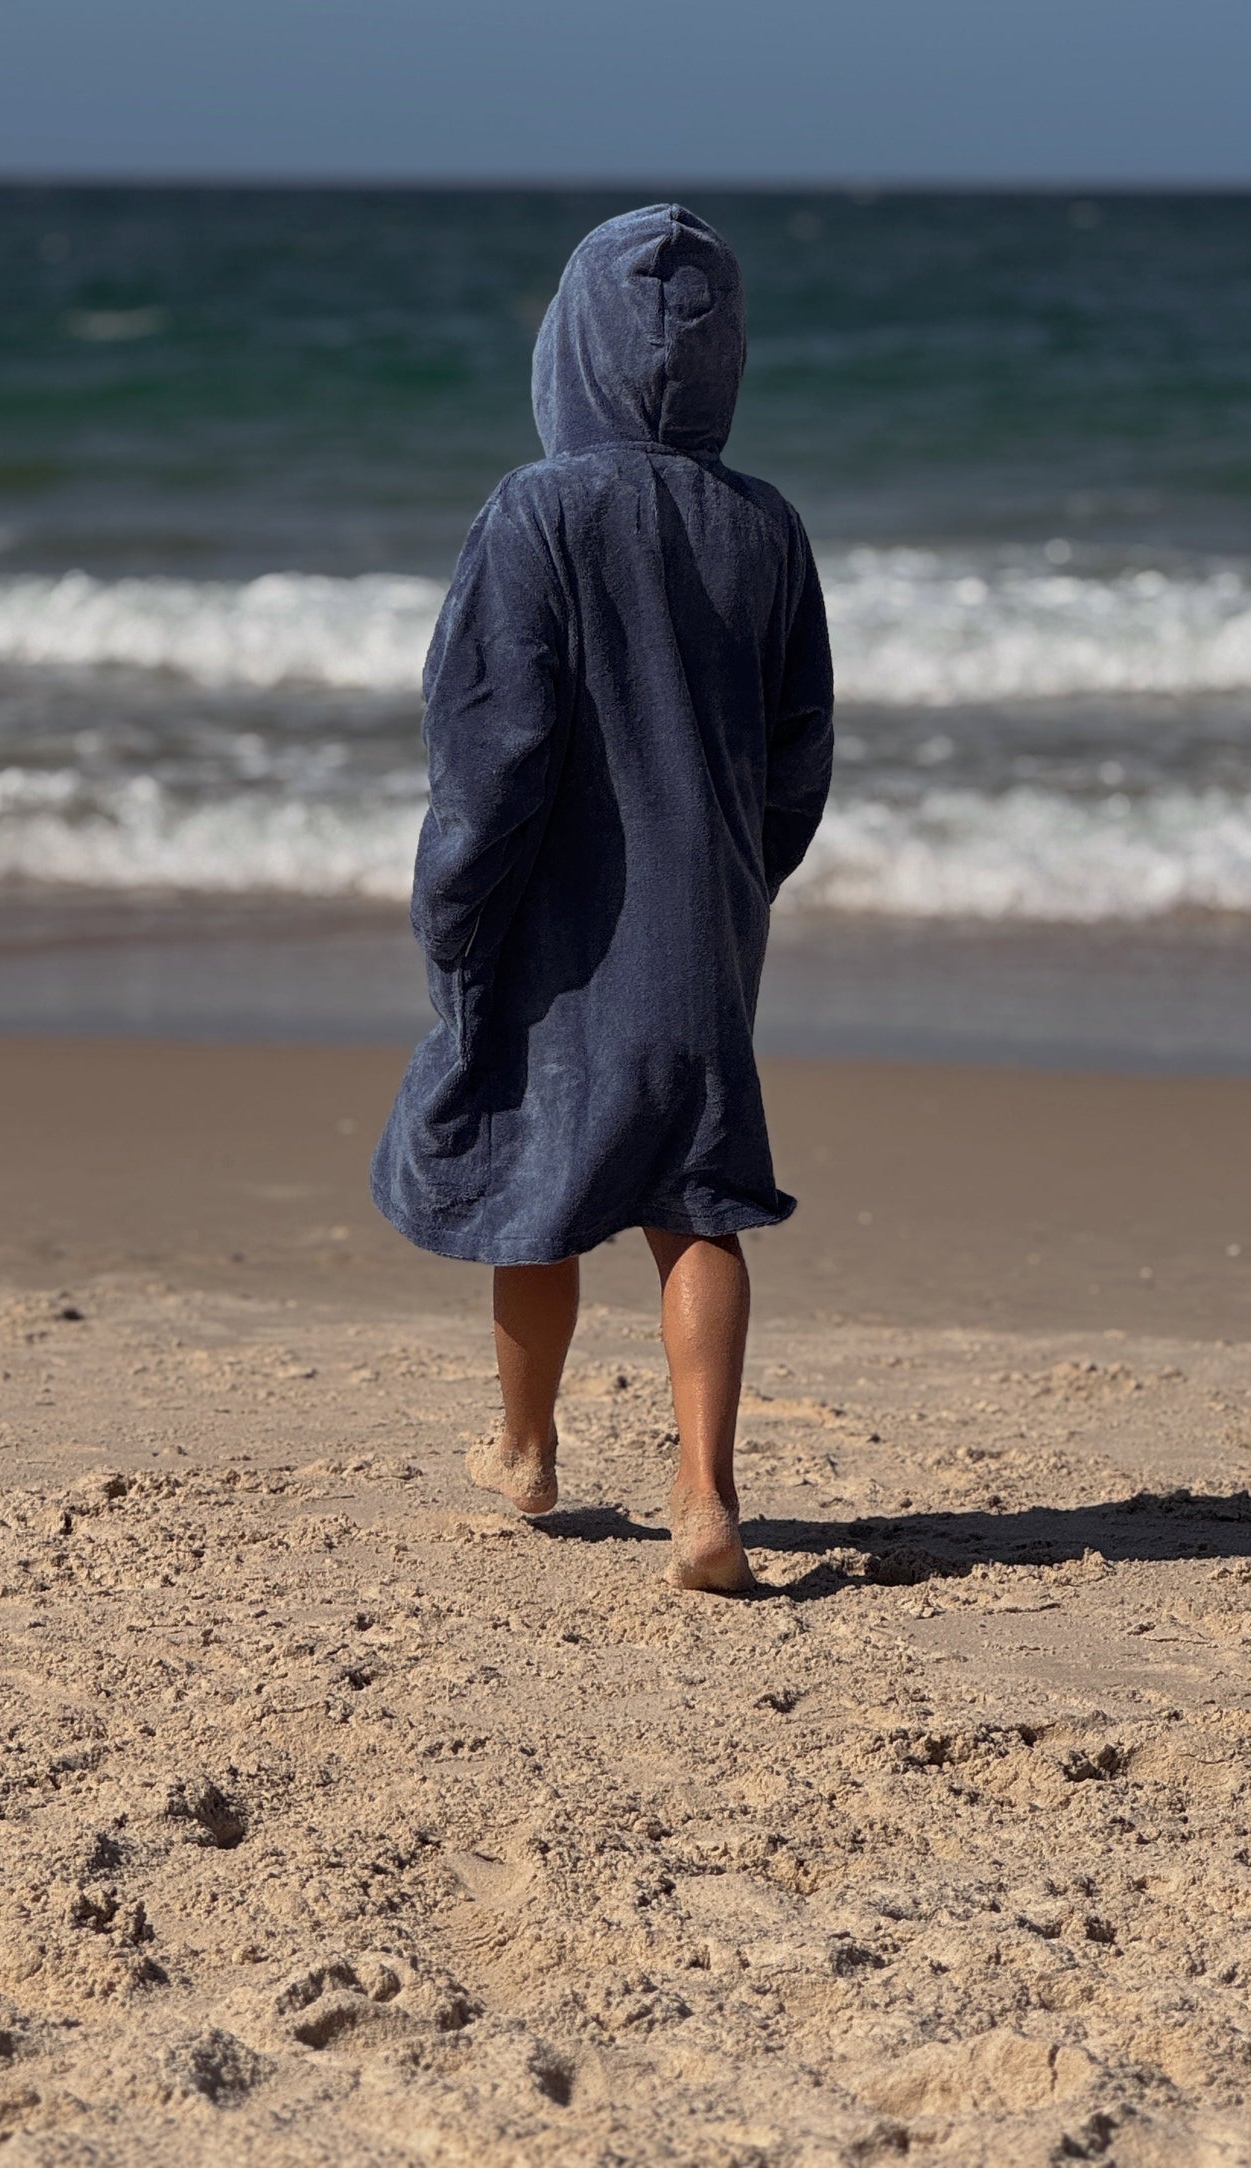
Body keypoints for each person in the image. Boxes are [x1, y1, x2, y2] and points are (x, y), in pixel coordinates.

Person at [371, 204, 834, 1593]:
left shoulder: (537, 509)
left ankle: (525, 1448)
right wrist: (745, 878)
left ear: (566, 346)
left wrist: (455, 898)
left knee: (535, 1175)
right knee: (697, 1198)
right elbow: (799, 748)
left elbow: (491, 740)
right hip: (705, 921)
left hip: (560, 920)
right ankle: (704, 1497)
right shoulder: (765, 527)